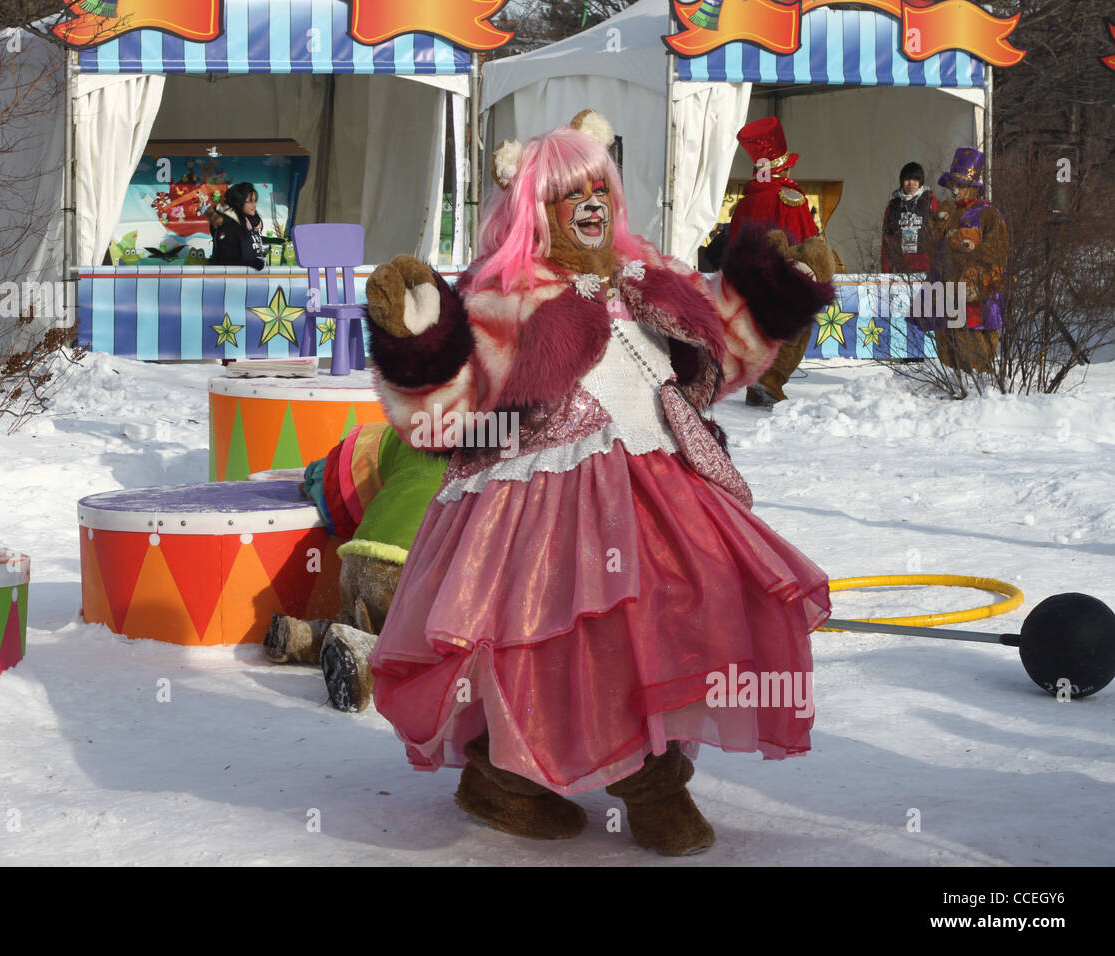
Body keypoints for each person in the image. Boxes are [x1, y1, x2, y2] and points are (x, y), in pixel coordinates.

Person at [360, 110, 835, 856]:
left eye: (598, 187)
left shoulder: (654, 279)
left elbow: (723, 352)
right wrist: (420, 340)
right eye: (566, 193)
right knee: (554, 637)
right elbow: (445, 411)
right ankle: (545, 780)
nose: (588, 203)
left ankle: (635, 772)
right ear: (531, 211)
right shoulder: (506, 295)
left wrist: (775, 294)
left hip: (664, 477)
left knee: (690, 607)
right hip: (542, 490)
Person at [728, 116, 820, 407]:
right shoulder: (789, 198)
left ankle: (756, 388)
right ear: (783, 167)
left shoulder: (745, 202)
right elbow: (810, 243)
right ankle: (770, 381)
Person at [920, 148, 1007, 373]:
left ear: (972, 187)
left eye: (959, 185)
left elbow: (998, 250)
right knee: (946, 340)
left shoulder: (987, 213)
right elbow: (930, 249)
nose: (955, 190)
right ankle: (954, 383)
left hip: (973, 289)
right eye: (952, 186)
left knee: (972, 340)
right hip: (945, 284)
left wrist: (974, 264)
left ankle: (979, 387)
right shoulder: (946, 211)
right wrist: (937, 226)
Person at [881, 162, 938, 273]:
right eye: (907, 179)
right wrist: (886, 271)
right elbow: (886, 240)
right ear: (902, 181)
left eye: (915, 180)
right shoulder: (893, 206)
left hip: (927, 268)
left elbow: (939, 236)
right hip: (900, 268)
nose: (911, 183)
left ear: (921, 181)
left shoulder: (931, 203)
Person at [207, 182, 265, 269]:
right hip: (232, 279)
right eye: (250, 201)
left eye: (255, 201)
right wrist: (252, 262)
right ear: (239, 202)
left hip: (250, 277)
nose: (254, 205)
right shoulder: (229, 225)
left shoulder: (249, 222)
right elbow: (227, 257)